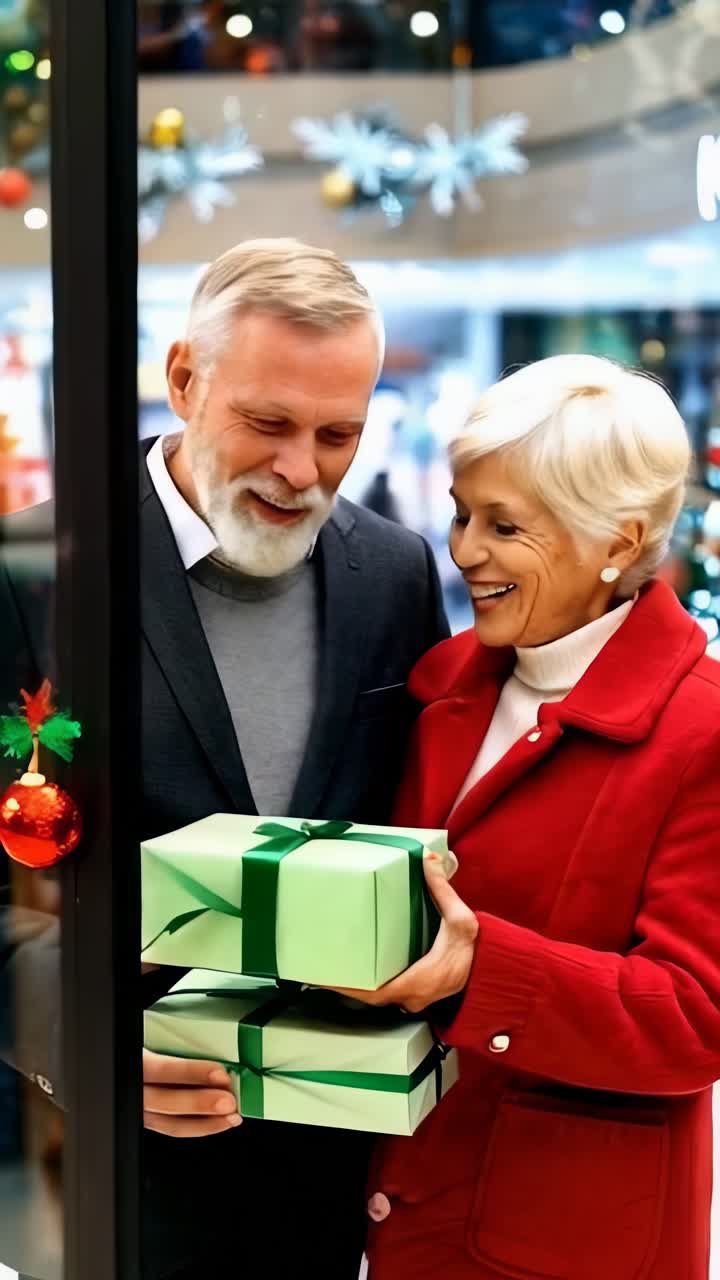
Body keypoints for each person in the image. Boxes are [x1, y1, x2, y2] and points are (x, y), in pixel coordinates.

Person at [0, 237, 449, 1280]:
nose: (302, 470)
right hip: (115, 1177)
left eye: (338, 433)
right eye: (269, 423)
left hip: (337, 1171)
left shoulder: (393, 571)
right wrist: (80, 1031)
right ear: (183, 379)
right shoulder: (34, 572)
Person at [330, 354, 720, 1280]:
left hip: (572, 1240)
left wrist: (483, 973)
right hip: (411, 1210)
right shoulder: (441, 684)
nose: (463, 551)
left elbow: (697, 1018)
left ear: (618, 541)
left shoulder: (701, 732)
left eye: (504, 526)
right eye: (462, 514)